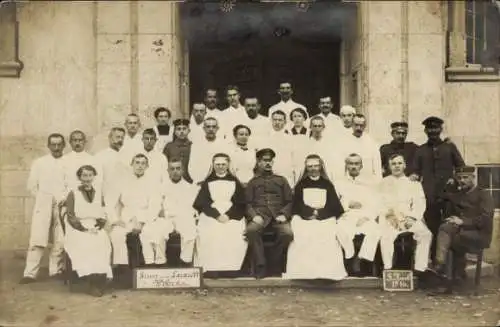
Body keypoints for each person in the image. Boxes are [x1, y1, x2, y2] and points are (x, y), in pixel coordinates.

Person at [410, 116, 465, 263]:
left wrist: (454, 178)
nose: (433, 131)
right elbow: (415, 170)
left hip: (449, 195)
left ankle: (452, 264)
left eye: (435, 128)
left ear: (440, 130)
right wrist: (414, 176)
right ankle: (435, 261)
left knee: (449, 226)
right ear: (425, 131)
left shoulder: (450, 147)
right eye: (430, 129)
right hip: (429, 196)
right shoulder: (420, 150)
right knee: (431, 227)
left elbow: (461, 167)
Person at [284, 154, 347, 281]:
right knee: (303, 233)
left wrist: (320, 214)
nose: (313, 169)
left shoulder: (327, 184)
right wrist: (310, 213)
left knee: (326, 234)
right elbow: (297, 204)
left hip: (325, 217)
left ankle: (326, 272)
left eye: (316, 166)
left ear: (320, 167)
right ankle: (303, 272)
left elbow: (334, 205)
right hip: (304, 217)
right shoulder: (301, 184)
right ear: (306, 168)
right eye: (310, 166)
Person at [431, 165, 494, 285]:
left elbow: (486, 219)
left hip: (479, 234)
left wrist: (462, 222)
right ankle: (446, 270)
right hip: (461, 231)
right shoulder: (459, 194)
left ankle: (444, 269)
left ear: (473, 177)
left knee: (451, 239)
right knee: (445, 227)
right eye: (459, 178)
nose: (462, 181)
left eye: (465, 177)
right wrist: (453, 219)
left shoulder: (484, 195)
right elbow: (442, 196)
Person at [20, 134, 68, 284]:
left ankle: (56, 270)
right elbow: (31, 186)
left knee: (60, 238)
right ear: (48, 146)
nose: (56, 147)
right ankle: (30, 273)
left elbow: (70, 184)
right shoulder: (39, 163)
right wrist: (42, 198)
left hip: (62, 203)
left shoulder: (68, 162)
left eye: (59, 144)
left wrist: (63, 199)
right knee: (38, 237)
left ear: (63, 145)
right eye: (53, 144)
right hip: (43, 202)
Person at [107, 154, 163, 281]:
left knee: (149, 233)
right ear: (131, 164)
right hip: (127, 217)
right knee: (116, 234)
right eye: (137, 162)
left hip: (147, 217)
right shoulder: (122, 181)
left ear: (147, 166)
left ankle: (149, 269)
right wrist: (116, 219)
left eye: (143, 163)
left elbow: (155, 205)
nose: (140, 166)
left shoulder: (153, 183)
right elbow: (110, 203)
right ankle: (122, 269)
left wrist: (142, 222)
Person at [379, 154, 432, 278]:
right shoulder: (383, 183)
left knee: (425, 234)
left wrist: (412, 218)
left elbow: (420, 203)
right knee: (385, 236)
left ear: (404, 165)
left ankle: (420, 268)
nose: (397, 166)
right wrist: (390, 216)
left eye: (399, 163)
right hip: (390, 218)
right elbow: (378, 202)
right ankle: (388, 268)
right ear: (389, 166)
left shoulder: (413, 183)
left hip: (408, 218)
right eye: (393, 164)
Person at [193, 153, 247, 274]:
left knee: (233, 231)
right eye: (217, 164)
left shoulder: (234, 181)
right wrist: (216, 215)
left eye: (223, 164)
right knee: (209, 231)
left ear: (228, 165)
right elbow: (201, 203)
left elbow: (240, 203)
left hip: (232, 213)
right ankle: (212, 269)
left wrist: (228, 215)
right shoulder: (208, 182)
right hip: (211, 213)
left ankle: (231, 269)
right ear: (213, 165)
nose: (220, 167)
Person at [63, 165, 112, 297]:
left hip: (94, 226)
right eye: (84, 175)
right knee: (87, 244)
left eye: (90, 175)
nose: (87, 178)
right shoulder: (73, 193)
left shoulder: (98, 193)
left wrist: (98, 226)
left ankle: (100, 278)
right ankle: (93, 283)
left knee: (103, 241)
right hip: (78, 228)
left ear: (94, 177)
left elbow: (103, 213)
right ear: (79, 177)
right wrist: (84, 229)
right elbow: (71, 216)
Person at [245, 148, 294, 278]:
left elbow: (290, 201)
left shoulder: (281, 180)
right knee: (251, 231)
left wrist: (284, 214)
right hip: (260, 217)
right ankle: (260, 265)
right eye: (264, 160)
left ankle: (274, 264)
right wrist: (254, 216)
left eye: (270, 160)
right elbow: (247, 203)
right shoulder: (253, 182)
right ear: (259, 162)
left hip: (278, 217)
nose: (268, 163)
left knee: (287, 234)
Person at [336, 154, 381, 273]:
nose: (353, 166)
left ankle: (364, 261)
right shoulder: (339, 183)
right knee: (340, 230)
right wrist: (347, 204)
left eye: (356, 164)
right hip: (346, 215)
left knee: (375, 230)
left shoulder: (370, 184)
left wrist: (367, 217)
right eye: (351, 164)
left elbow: (376, 204)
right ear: (346, 166)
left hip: (365, 216)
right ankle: (349, 257)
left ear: (361, 166)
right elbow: (334, 202)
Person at [160, 159, 198, 266]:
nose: (175, 171)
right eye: (172, 169)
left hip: (183, 218)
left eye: (178, 168)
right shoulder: (161, 187)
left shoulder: (190, 188)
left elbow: (191, 208)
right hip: (166, 218)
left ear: (183, 170)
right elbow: (158, 206)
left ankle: (185, 262)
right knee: (159, 233)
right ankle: (162, 264)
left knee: (191, 232)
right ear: (168, 171)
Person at [341, 114, 382, 181]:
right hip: (349, 181)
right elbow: (341, 165)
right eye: (356, 125)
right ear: (352, 125)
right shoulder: (344, 141)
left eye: (361, 125)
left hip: (367, 181)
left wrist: (378, 182)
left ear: (365, 126)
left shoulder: (371, 142)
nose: (358, 128)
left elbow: (377, 166)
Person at [189, 117, 228, 185]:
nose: (211, 129)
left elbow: (226, 164)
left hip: (218, 181)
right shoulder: (196, 145)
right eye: (208, 127)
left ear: (217, 128)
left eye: (213, 127)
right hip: (200, 181)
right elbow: (192, 165)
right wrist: (198, 180)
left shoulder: (223, 144)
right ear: (204, 128)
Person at [261, 110, 295, 186]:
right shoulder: (264, 138)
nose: (277, 122)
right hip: (268, 175)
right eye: (275, 120)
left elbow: (294, 159)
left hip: (286, 176)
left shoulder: (291, 139)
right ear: (271, 121)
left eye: (280, 120)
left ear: (285, 122)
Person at [94, 127, 126, 205]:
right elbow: (97, 180)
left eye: (122, 137)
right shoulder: (100, 156)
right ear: (110, 138)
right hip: (107, 198)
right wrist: (100, 199)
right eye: (117, 137)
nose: (120, 140)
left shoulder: (126, 156)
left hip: (124, 199)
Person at [163, 118, 193, 183]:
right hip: (172, 180)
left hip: (190, 180)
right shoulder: (169, 146)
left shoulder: (192, 146)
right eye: (178, 129)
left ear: (189, 130)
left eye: (184, 129)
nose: (181, 131)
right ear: (175, 132)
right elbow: (164, 164)